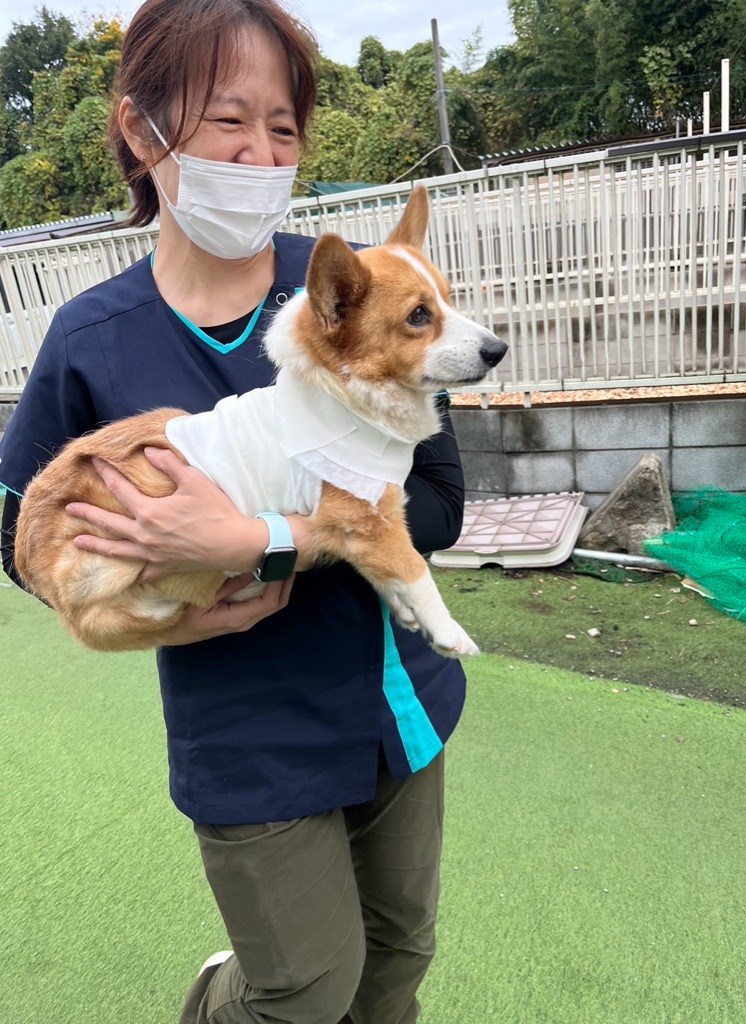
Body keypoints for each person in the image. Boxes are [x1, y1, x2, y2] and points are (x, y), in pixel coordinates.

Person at [0, 1, 468, 1021]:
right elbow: (16, 536)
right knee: (300, 994)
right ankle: (219, 998)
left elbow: (437, 502)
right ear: (141, 130)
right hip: (241, 732)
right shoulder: (90, 338)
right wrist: (155, 608)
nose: (261, 154)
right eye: (227, 120)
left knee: (396, 959)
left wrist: (260, 541)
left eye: (283, 126)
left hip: (395, 701)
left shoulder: (355, 286)